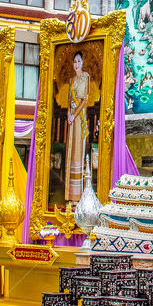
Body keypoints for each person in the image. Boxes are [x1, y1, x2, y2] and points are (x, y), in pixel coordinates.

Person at [65, 51, 91, 201]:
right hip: (72, 118)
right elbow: (70, 100)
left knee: (78, 150)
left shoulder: (85, 77)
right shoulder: (71, 80)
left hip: (80, 117)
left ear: (83, 62)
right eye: (74, 61)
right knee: (71, 148)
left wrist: (75, 115)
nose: (76, 64)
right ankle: (70, 194)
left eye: (79, 61)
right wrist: (69, 114)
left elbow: (85, 100)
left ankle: (79, 194)